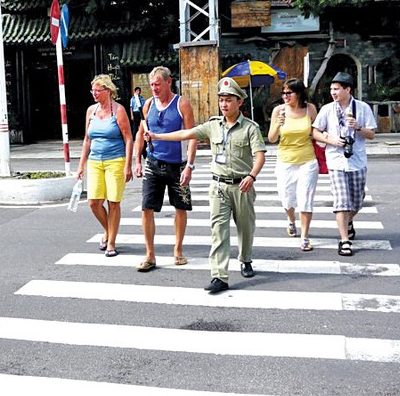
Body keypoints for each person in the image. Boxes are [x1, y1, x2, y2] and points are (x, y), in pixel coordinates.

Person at [144, 77, 266, 293]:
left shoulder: (250, 128)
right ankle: (219, 275)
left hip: (242, 186)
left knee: (245, 228)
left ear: (239, 102)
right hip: (218, 187)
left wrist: (252, 176)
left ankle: (245, 259)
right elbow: (185, 133)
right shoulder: (213, 126)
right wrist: (157, 135)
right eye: (221, 100)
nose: (224, 104)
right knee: (218, 230)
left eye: (229, 100)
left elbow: (259, 156)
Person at [133, 66, 196, 271]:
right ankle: (150, 254)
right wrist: (137, 161)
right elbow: (142, 134)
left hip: (177, 164)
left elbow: (192, 136)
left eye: (158, 84)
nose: (154, 88)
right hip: (153, 161)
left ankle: (178, 249)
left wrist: (189, 166)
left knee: (180, 207)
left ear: (169, 82)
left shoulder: (182, 104)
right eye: (151, 85)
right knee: (146, 207)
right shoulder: (148, 105)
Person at [312, 72, 377, 257]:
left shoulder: (363, 108)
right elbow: (315, 132)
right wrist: (331, 140)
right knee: (341, 201)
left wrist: (358, 127)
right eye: (331, 89)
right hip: (335, 160)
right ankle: (344, 240)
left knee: (356, 202)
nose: (333, 92)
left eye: (337, 89)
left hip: (357, 160)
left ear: (348, 89)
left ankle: (348, 221)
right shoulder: (327, 109)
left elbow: (371, 134)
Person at [76, 74, 133, 257]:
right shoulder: (90, 111)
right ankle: (108, 229)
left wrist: (128, 164)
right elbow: (87, 140)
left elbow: (128, 138)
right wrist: (81, 165)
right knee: (93, 202)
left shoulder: (119, 110)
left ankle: (112, 242)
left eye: (98, 90)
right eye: (92, 90)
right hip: (95, 161)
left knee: (113, 202)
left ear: (108, 91)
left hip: (115, 160)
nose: (94, 93)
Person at [267, 78, 319, 252]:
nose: (285, 96)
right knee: (287, 197)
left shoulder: (310, 109)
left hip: (307, 160)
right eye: (283, 92)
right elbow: (272, 139)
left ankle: (305, 236)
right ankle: (291, 219)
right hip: (285, 160)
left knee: (305, 199)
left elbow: (316, 132)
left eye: (289, 93)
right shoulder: (278, 111)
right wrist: (277, 124)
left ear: (299, 93)